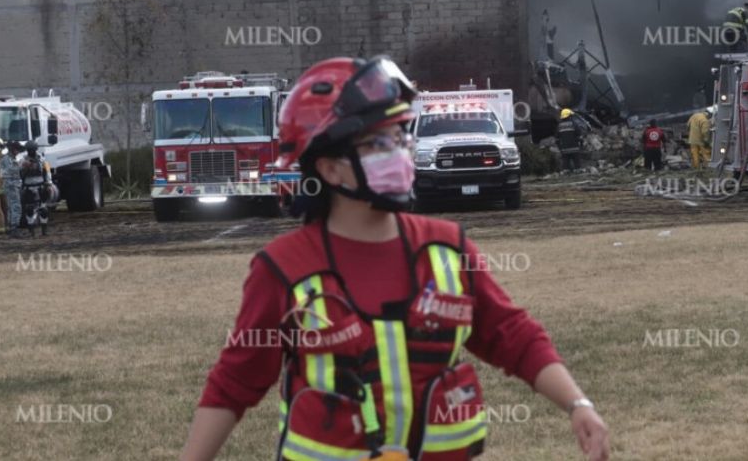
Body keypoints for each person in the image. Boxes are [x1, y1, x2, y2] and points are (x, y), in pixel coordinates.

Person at [180, 57, 609, 461]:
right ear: (329, 168)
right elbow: (235, 383)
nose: (401, 149)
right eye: (379, 142)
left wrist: (577, 403)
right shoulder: (282, 269)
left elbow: (511, 335)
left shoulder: (448, 249)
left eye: (403, 134)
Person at [19, 141, 53, 237]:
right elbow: (19, 173)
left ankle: (44, 230)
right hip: (28, 187)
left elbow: (48, 171)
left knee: (43, 209)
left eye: (32, 150)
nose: (31, 152)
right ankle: (31, 231)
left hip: (41, 186)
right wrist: (25, 167)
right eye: (29, 150)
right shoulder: (23, 160)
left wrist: (49, 184)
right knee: (29, 209)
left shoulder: (42, 159)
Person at [0, 141, 23, 234]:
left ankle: (11, 227)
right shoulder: (7, 159)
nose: (18, 152)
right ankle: (14, 227)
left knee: (11, 206)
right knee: (15, 206)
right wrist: (21, 166)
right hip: (11, 184)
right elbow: (9, 171)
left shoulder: (10, 158)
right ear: (13, 149)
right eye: (17, 149)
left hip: (11, 184)